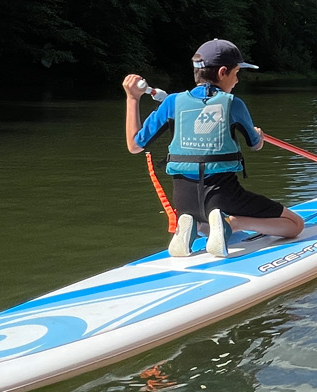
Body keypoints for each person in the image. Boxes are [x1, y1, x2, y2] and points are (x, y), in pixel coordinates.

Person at [123, 38, 305, 258]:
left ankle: (192, 224)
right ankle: (232, 223)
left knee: (199, 216)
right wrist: (258, 135)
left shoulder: (171, 102)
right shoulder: (233, 103)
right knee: (294, 225)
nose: (237, 80)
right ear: (222, 72)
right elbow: (255, 145)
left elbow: (134, 145)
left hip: (183, 199)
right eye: (236, 73)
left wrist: (133, 98)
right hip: (223, 196)